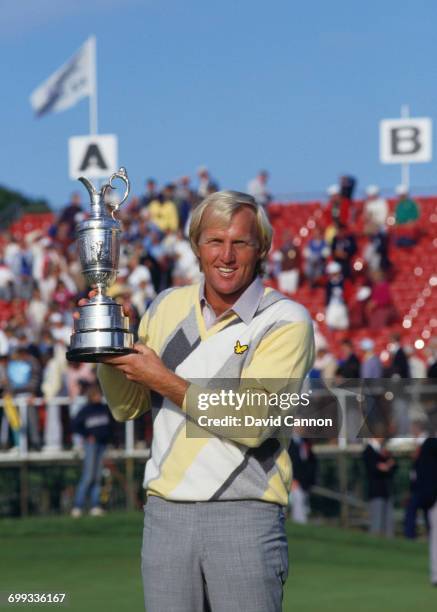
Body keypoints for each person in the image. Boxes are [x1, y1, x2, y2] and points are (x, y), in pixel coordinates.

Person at [95, 190, 315, 611]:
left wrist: (165, 380)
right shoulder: (165, 306)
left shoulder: (285, 320)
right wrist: (109, 350)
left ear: (262, 248)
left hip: (244, 515)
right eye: (215, 241)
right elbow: (127, 407)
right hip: (165, 516)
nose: (226, 255)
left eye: (240, 242)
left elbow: (254, 423)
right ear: (196, 246)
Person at [71, 382, 112, 517]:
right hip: (91, 445)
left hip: (102, 444)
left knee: (97, 477)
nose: (98, 397)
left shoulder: (104, 408)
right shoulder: (85, 410)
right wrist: (87, 435)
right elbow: (75, 425)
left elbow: (111, 425)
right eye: (96, 395)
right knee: (88, 476)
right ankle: (78, 506)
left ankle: (95, 506)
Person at [362, 436, 397, 537]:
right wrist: (385, 466)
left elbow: (392, 466)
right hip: (376, 491)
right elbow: (375, 468)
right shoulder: (369, 451)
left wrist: (386, 466)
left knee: (388, 523)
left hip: (386, 490)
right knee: (376, 522)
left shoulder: (384, 451)